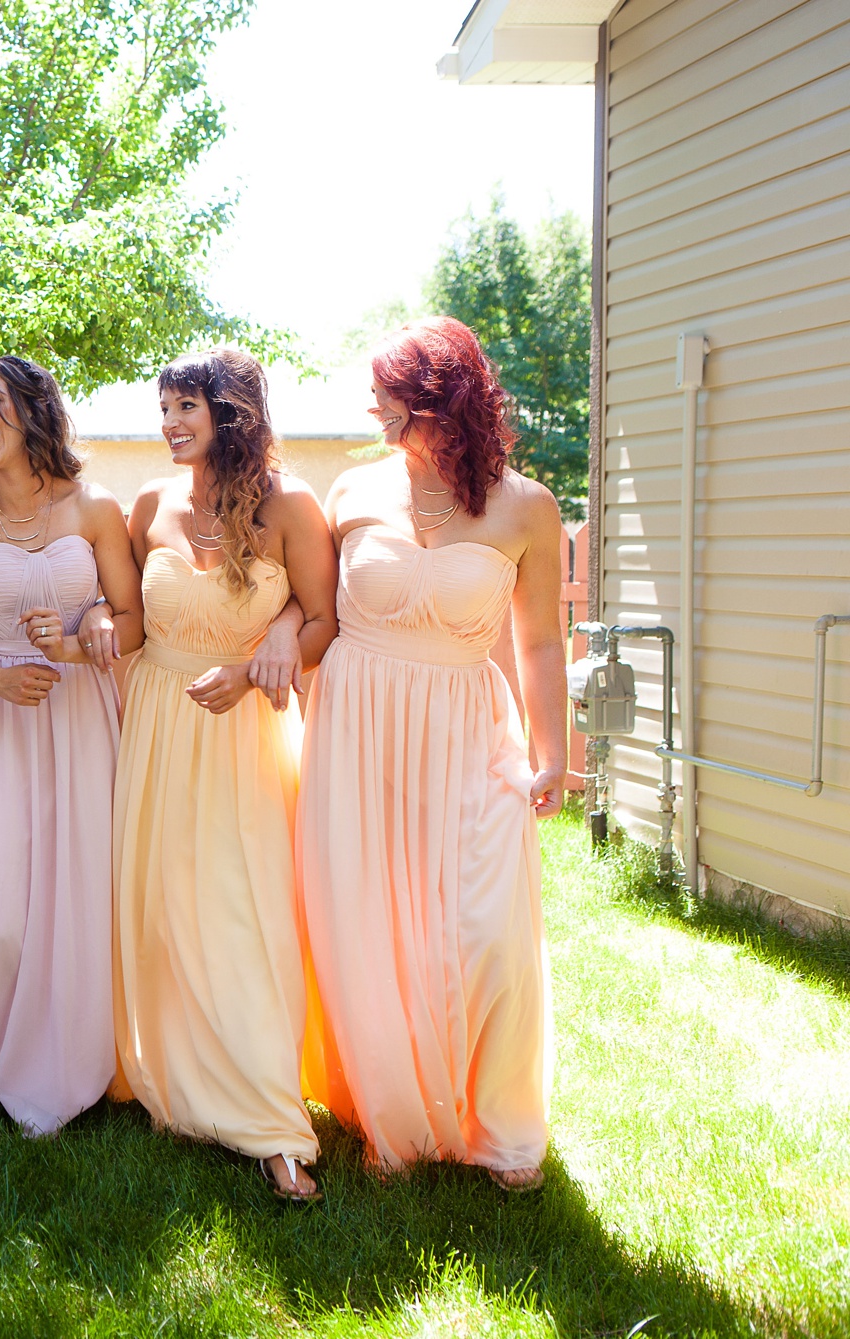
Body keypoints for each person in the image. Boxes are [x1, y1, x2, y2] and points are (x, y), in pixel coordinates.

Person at [299, 316, 566, 1189]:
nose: (372, 405)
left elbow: (539, 645)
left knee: (484, 928)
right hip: (357, 723)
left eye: (389, 393)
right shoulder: (346, 494)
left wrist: (552, 748)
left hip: (465, 729)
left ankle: (497, 1121)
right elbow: (307, 608)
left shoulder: (525, 506)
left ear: (441, 400)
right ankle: (395, 1119)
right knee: (371, 920)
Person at [111, 348, 338, 1202]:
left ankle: (273, 1122)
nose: (169, 425)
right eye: (163, 409)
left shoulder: (290, 506)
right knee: (166, 903)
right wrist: (96, 616)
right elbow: (129, 616)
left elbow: (325, 618)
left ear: (229, 414)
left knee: (246, 912)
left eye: (185, 410)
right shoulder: (148, 504)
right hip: (161, 723)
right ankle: (176, 1073)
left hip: (244, 731)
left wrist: (276, 639)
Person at [0, 354, 142, 1136]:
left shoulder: (94, 509)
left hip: (80, 718)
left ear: (36, 409)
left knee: (81, 888)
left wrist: (95, 629)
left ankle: (76, 1058)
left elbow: (135, 620)